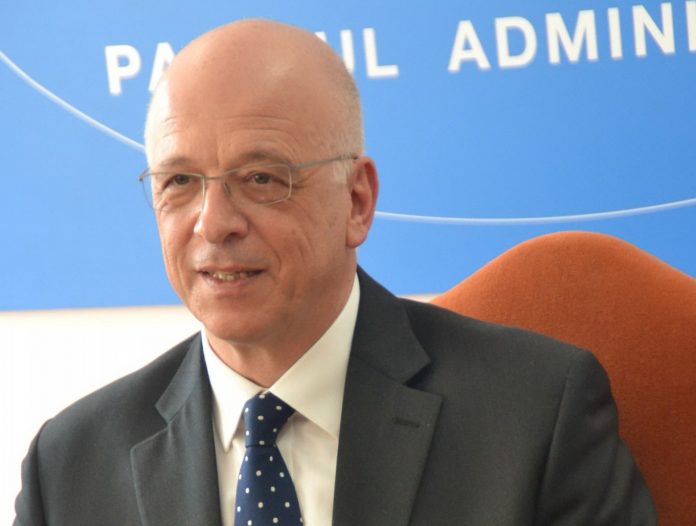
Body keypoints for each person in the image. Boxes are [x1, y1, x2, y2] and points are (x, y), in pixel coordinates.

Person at [14, 19, 656, 526]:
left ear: (356, 201)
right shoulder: (67, 468)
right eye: (179, 181)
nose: (213, 223)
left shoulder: (535, 414)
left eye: (260, 178)